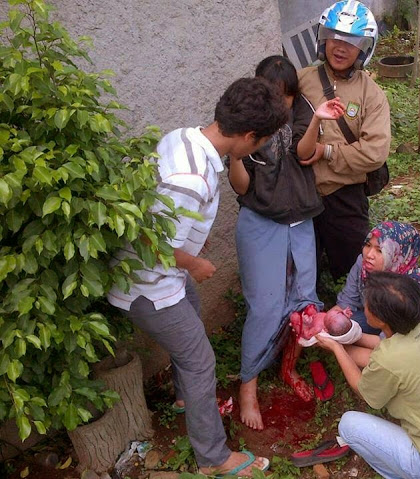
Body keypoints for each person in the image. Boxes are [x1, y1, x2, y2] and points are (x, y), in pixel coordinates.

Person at [107, 77, 289, 476]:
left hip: (163, 276)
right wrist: (194, 264)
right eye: (259, 142)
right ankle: (214, 458)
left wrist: (189, 250)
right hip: (147, 285)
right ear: (247, 136)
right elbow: (151, 241)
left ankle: (184, 397)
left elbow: (163, 219)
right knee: (200, 359)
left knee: (191, 311)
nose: (257, 149)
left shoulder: (184, 137)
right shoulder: (191, 180)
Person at [227, 55, 347, 430]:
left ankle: (288, 367)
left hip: (300, 222)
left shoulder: (302, 113)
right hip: (261, 223)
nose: (282, 106)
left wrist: (313, 119)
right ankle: (249, 384)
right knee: (265, 308)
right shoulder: (246, 126)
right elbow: (242, 188)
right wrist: (235, 156)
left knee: (303, 304)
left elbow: (301, 152)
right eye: (275, 98)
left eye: (288, 98)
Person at [315, 272, 420, 479]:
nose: (364, 304)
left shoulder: (389, 359)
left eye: (367, 303)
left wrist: (336, 348)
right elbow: (383, 347)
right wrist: (349, 338)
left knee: (349, 425)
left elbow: (363, 390)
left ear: (379, 319)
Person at [298, 0, 391, 281]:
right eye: (334, 37)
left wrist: (327, 152)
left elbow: (374, 152)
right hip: (301, 194)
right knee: (301, 272)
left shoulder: (372, 94)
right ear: (322, 39)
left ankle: (358, 320)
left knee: (357, 272)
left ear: (365, 47)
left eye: (351, 41)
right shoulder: (300, 80)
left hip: (345, 196)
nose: (340, 47)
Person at [331, 221, 420, 345]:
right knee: (338, 326)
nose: (369, 255)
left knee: (358, 350)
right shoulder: (362, 264)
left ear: (398, 254)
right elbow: (347, 302)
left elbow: (389, 343)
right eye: (368, 245)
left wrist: (349, 338)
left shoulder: (409, 285)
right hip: (385, 324)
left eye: (379, 251)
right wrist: (326, 321)